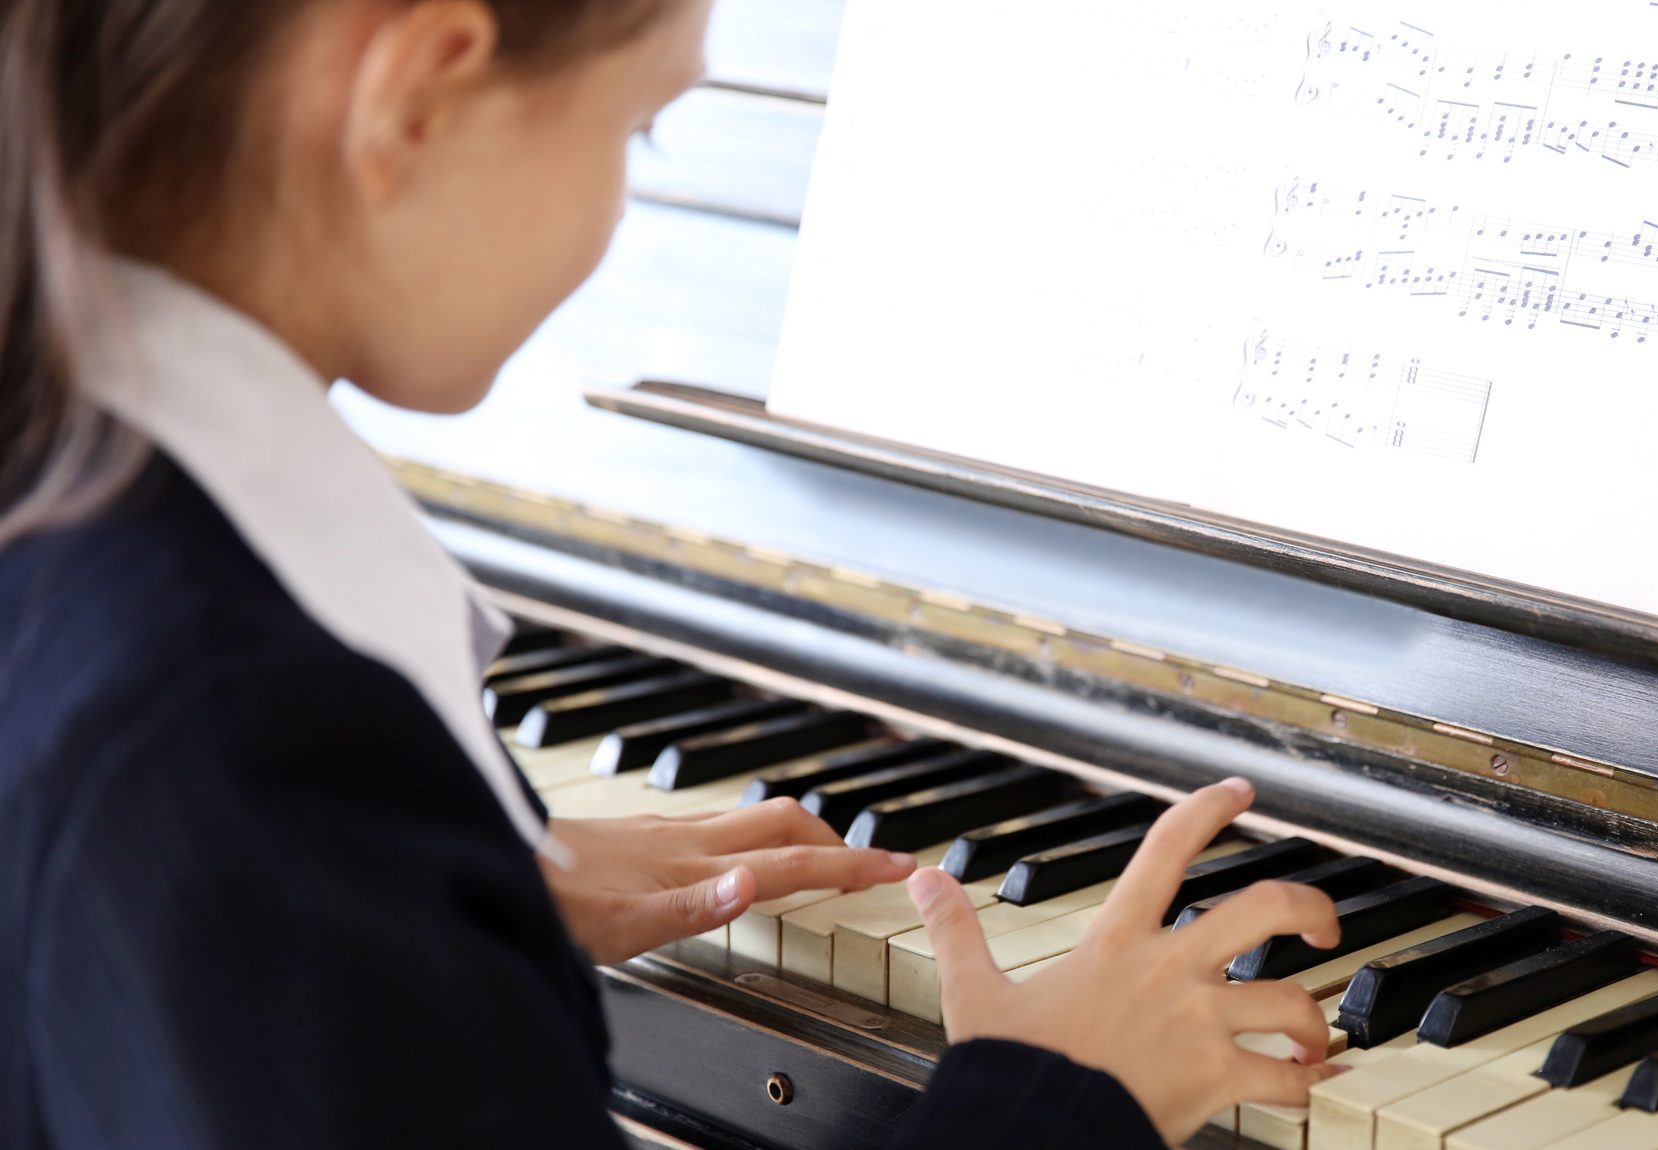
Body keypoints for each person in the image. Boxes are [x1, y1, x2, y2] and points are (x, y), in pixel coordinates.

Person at [0, 2, 1343, 1147]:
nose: (627, 196)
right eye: (637, 125)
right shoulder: (243, 752)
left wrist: (452, 918)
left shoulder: (77, 538)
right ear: (414, 94)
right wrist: (1062, 1096)